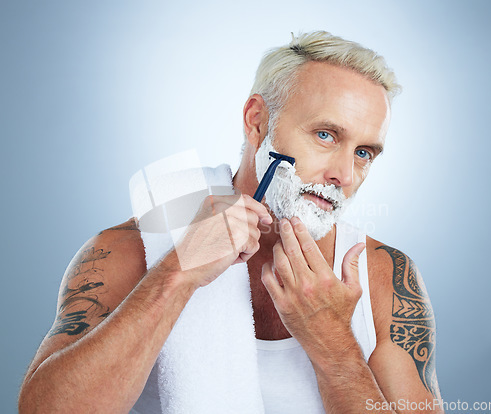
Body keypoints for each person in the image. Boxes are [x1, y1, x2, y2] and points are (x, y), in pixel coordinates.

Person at [19, 31, 444, 413]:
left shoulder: (384, 277)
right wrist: (175, 274)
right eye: (326, 135)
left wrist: (334, 345)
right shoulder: (130, 251)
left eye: (364, 152)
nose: (345, 175)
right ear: (257, 120)